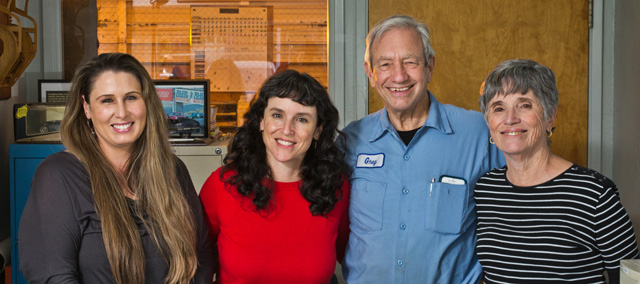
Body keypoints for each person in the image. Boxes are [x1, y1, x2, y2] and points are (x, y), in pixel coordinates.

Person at [19, 53, 215, 283]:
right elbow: (53, 276)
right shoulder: (58, 176)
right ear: (87, 107)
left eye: (131, 97)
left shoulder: (172, 170)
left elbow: (202, 254)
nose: (122, 112)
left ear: (147, 103)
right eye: (107, 100)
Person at [340, 15, 504, 283]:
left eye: (410, 62)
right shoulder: (351, 140)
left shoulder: (478, 133)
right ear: (370, 74)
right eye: (385, 64)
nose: (399, 76)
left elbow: (519, 208)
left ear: (429, 66)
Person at [475, 58, 639, 283]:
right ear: (489, 122)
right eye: (498, 108)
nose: (510, 119)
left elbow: (629, 277)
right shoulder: (486, 189)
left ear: (549, 117)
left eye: (524, 105)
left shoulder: (594, 194)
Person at [199, 69, 350, 283]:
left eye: (302, 119)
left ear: (318, 130)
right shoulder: (223, 185)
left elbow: (355, 259)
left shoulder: (335, 187)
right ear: (261, 121)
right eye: (277, 115)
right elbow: (195, 259)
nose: (287, 129)